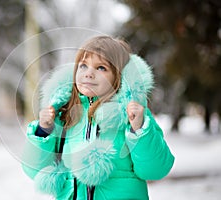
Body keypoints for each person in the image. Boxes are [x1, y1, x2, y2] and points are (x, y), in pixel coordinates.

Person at [21, 36, 175, 200]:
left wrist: (139, 129)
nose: (89, 74)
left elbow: (156, 170)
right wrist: (44, 130)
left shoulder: (132, 117)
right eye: (83, 66)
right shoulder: (63, 115)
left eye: (101, 68)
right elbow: (34, 170)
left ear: (118, 76)